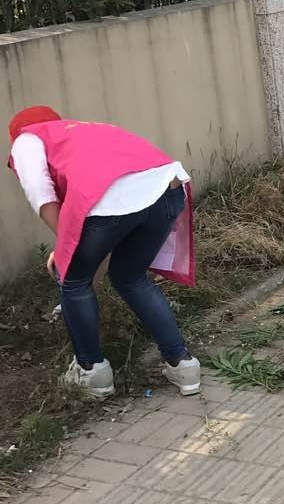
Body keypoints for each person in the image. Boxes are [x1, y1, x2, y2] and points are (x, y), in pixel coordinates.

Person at [7, 107, 201, 400]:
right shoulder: (86, 130)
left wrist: (66, 244)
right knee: (131, 277)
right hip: (167, 186)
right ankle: (183, 365)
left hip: (112, 199)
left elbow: (40, 192)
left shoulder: (27, 138)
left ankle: (92, 372)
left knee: (74, 282)